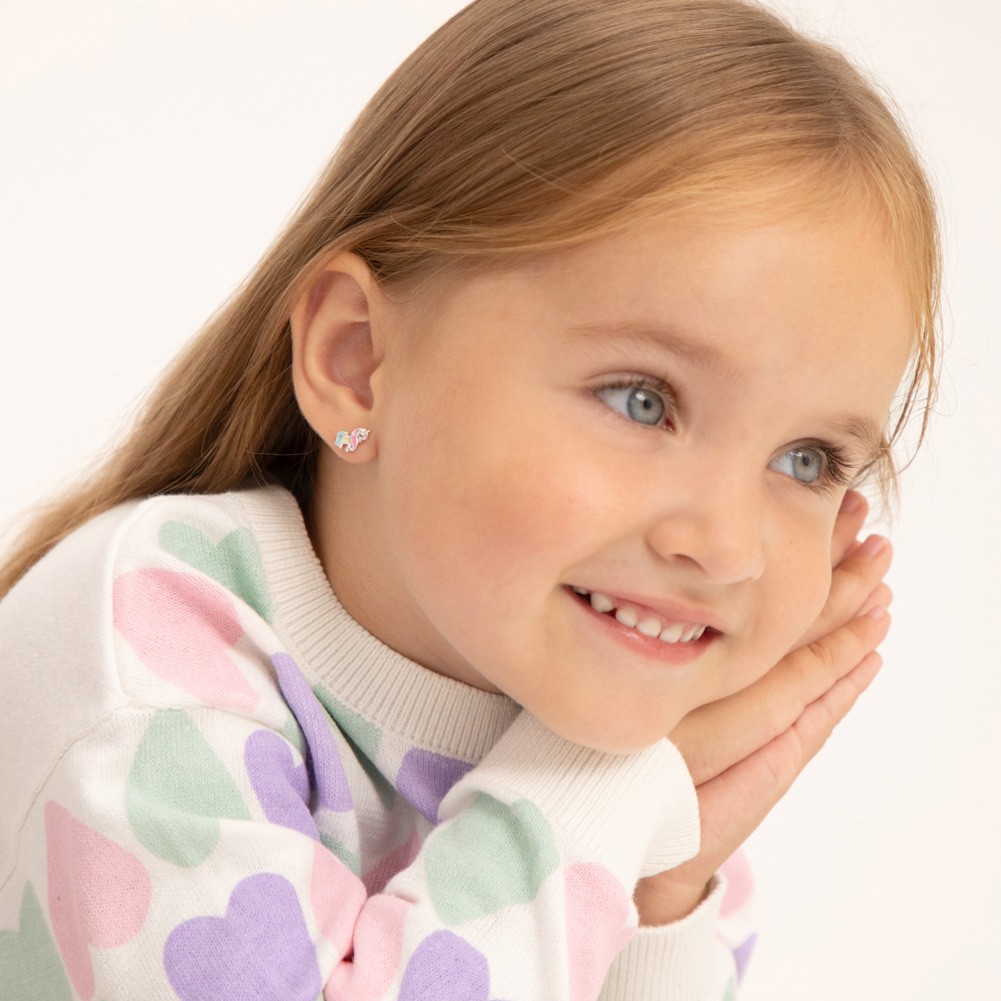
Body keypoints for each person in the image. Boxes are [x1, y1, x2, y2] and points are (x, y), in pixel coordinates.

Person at [0, 0, 940, 998]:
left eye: (805, 460)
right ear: (356, 360)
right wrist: (586, 803)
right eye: (640, 399)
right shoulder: (148, 661)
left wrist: (664, 890)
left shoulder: (613, 747)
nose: (726, 544)